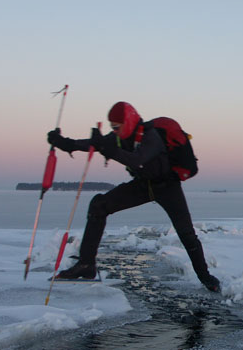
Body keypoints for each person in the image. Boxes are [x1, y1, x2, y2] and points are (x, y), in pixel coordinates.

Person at [46, 101, 220, 291]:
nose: (115, 131)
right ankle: (86, 265)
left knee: (186, 234)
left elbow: (137, 160)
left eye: (117, 127)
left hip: (167, 186)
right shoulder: (120, 138)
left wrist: (105, 148)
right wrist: (63, 143)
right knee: (99, 205)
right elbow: (92, 145)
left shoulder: (151, 136)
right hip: (143, 185)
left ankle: (205, 277)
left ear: (128, 122)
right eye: (112, 127)